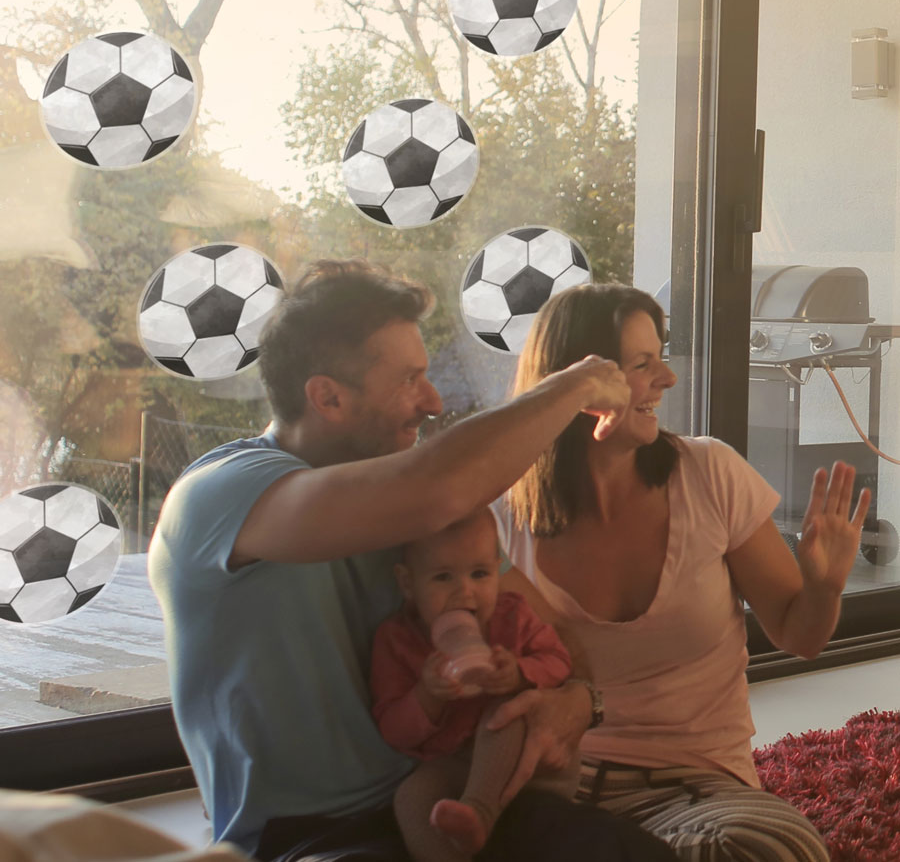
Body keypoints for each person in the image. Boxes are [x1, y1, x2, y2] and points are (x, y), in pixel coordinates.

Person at [148, 260, 679, 862]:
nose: (431, 401)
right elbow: (437, 489)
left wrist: (577, 698)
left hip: (452, 793)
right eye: (408, 381)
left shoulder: (412, 513)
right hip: (314, 837)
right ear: (327, 397)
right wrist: (577, 385)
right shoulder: (222, 494)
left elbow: (541, 630)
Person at [490, 282, 871, 862]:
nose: (666, 380)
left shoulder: (710, 472)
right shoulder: (501, 512)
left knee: (770, 850)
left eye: (661, 359)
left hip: (699, 792)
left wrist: (823, 586)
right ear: (579, 384)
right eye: (643, 366)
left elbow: (801, 636)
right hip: (556, 790)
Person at [371, 508, 577, 862]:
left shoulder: (513, 615)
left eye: (480, 573)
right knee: (411, 797)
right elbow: (393, 730)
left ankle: (480, 812)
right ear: (407, 583)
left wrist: (520, 673)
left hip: (529, 765)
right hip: (454, 767)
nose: (464, 591)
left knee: (507, 710)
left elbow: (560, 661)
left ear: (498, 570)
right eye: (442, 577)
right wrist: (426, 697)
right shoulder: (397, 641)